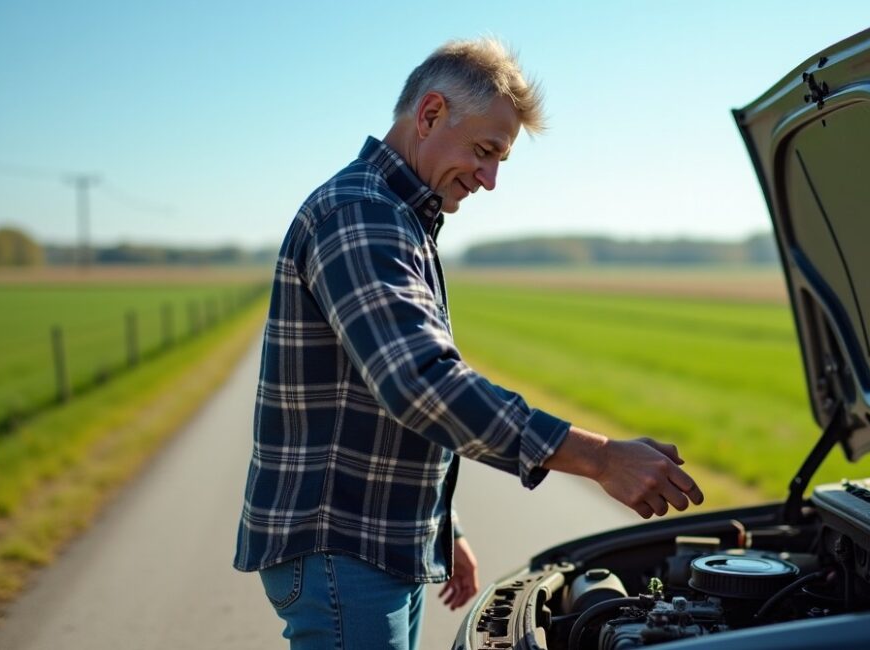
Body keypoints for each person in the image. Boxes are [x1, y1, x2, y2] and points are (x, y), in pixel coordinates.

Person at [233, 37, 703, 650]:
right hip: (341, 549)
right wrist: (602, 458)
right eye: (485, 152)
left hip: (373, 544)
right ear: (429, 115)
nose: (490, 179)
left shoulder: (397, 218)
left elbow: (376, 405)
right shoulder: (359, 214)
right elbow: (419, 382)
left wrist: (441, 529)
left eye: (500, 159)